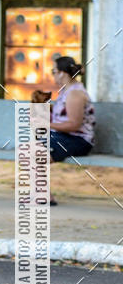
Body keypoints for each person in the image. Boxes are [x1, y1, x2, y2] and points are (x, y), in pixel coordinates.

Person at [49, 56, 95, 206]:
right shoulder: (65, 91)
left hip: (79, 140)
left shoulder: (75, 94)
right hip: (65, 137)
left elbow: (74, 125)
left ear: (63, 73)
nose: (53, 74)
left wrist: (47, 124)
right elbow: (62, 118)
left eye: (53, 71)